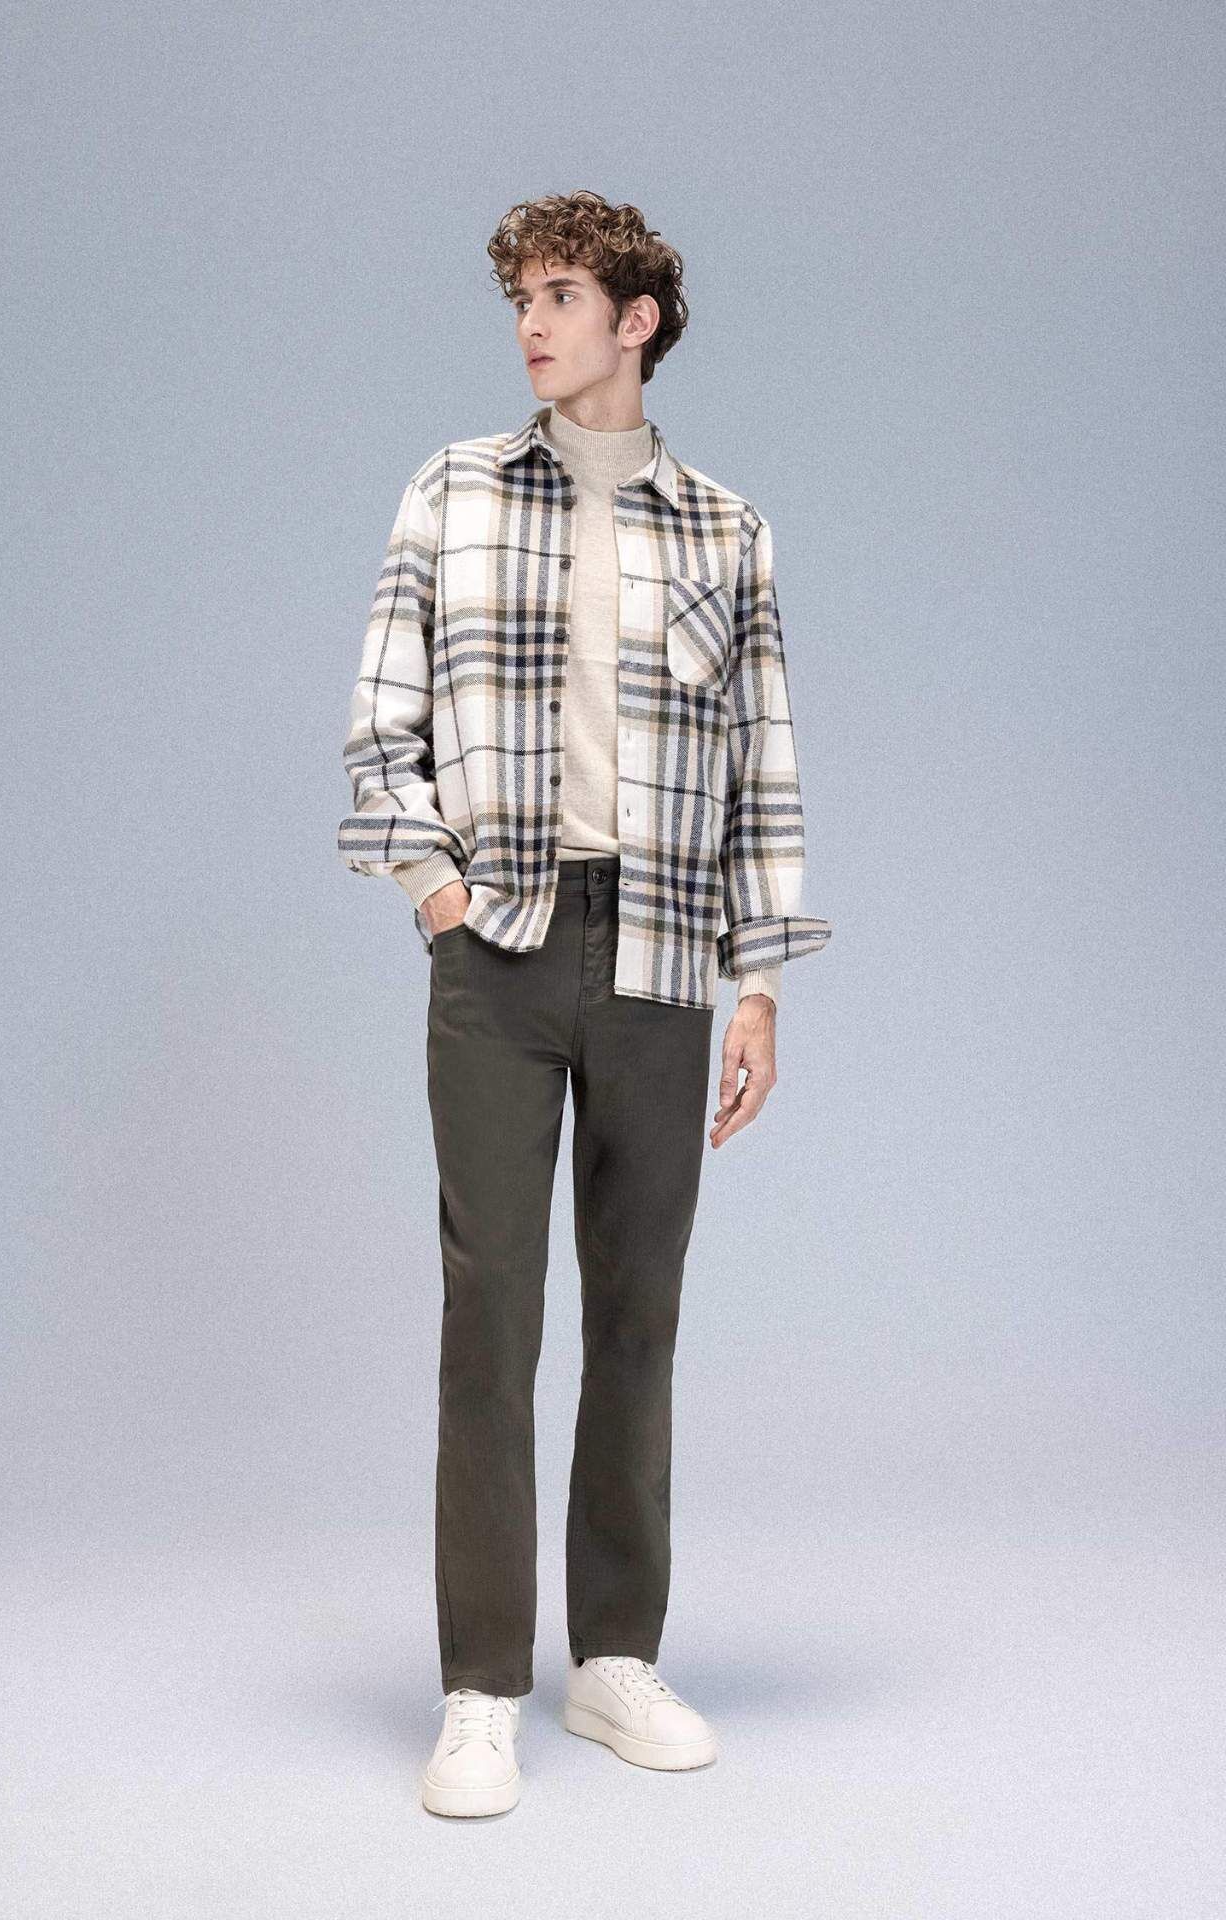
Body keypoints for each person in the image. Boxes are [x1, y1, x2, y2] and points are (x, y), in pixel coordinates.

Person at [338, 189, 832, 1817]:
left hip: (663, 956)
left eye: (560, 296)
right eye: (520, 299)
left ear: (638, 320)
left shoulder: (727, 531)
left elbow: (763, 766)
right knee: (491, 1314)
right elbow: (380, 733)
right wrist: (437, 894)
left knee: (638, 1310)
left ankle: (615, 1657)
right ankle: (481, 1687)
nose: (531, 325)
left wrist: (758, 986)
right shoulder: (455, 490)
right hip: (498, 946)